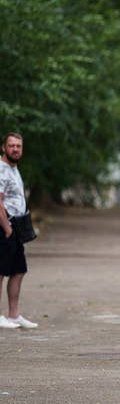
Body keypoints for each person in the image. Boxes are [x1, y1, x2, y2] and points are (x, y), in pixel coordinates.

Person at [0, 132, 38, 329]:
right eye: (11, 145)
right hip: (4, 226)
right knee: (0, 271)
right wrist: (6, 228)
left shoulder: (13, 169)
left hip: (16, 228)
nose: (15, 149)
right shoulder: (1, 169)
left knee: (18, 270)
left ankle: (14, 315)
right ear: (3, 148)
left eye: (18, 146)